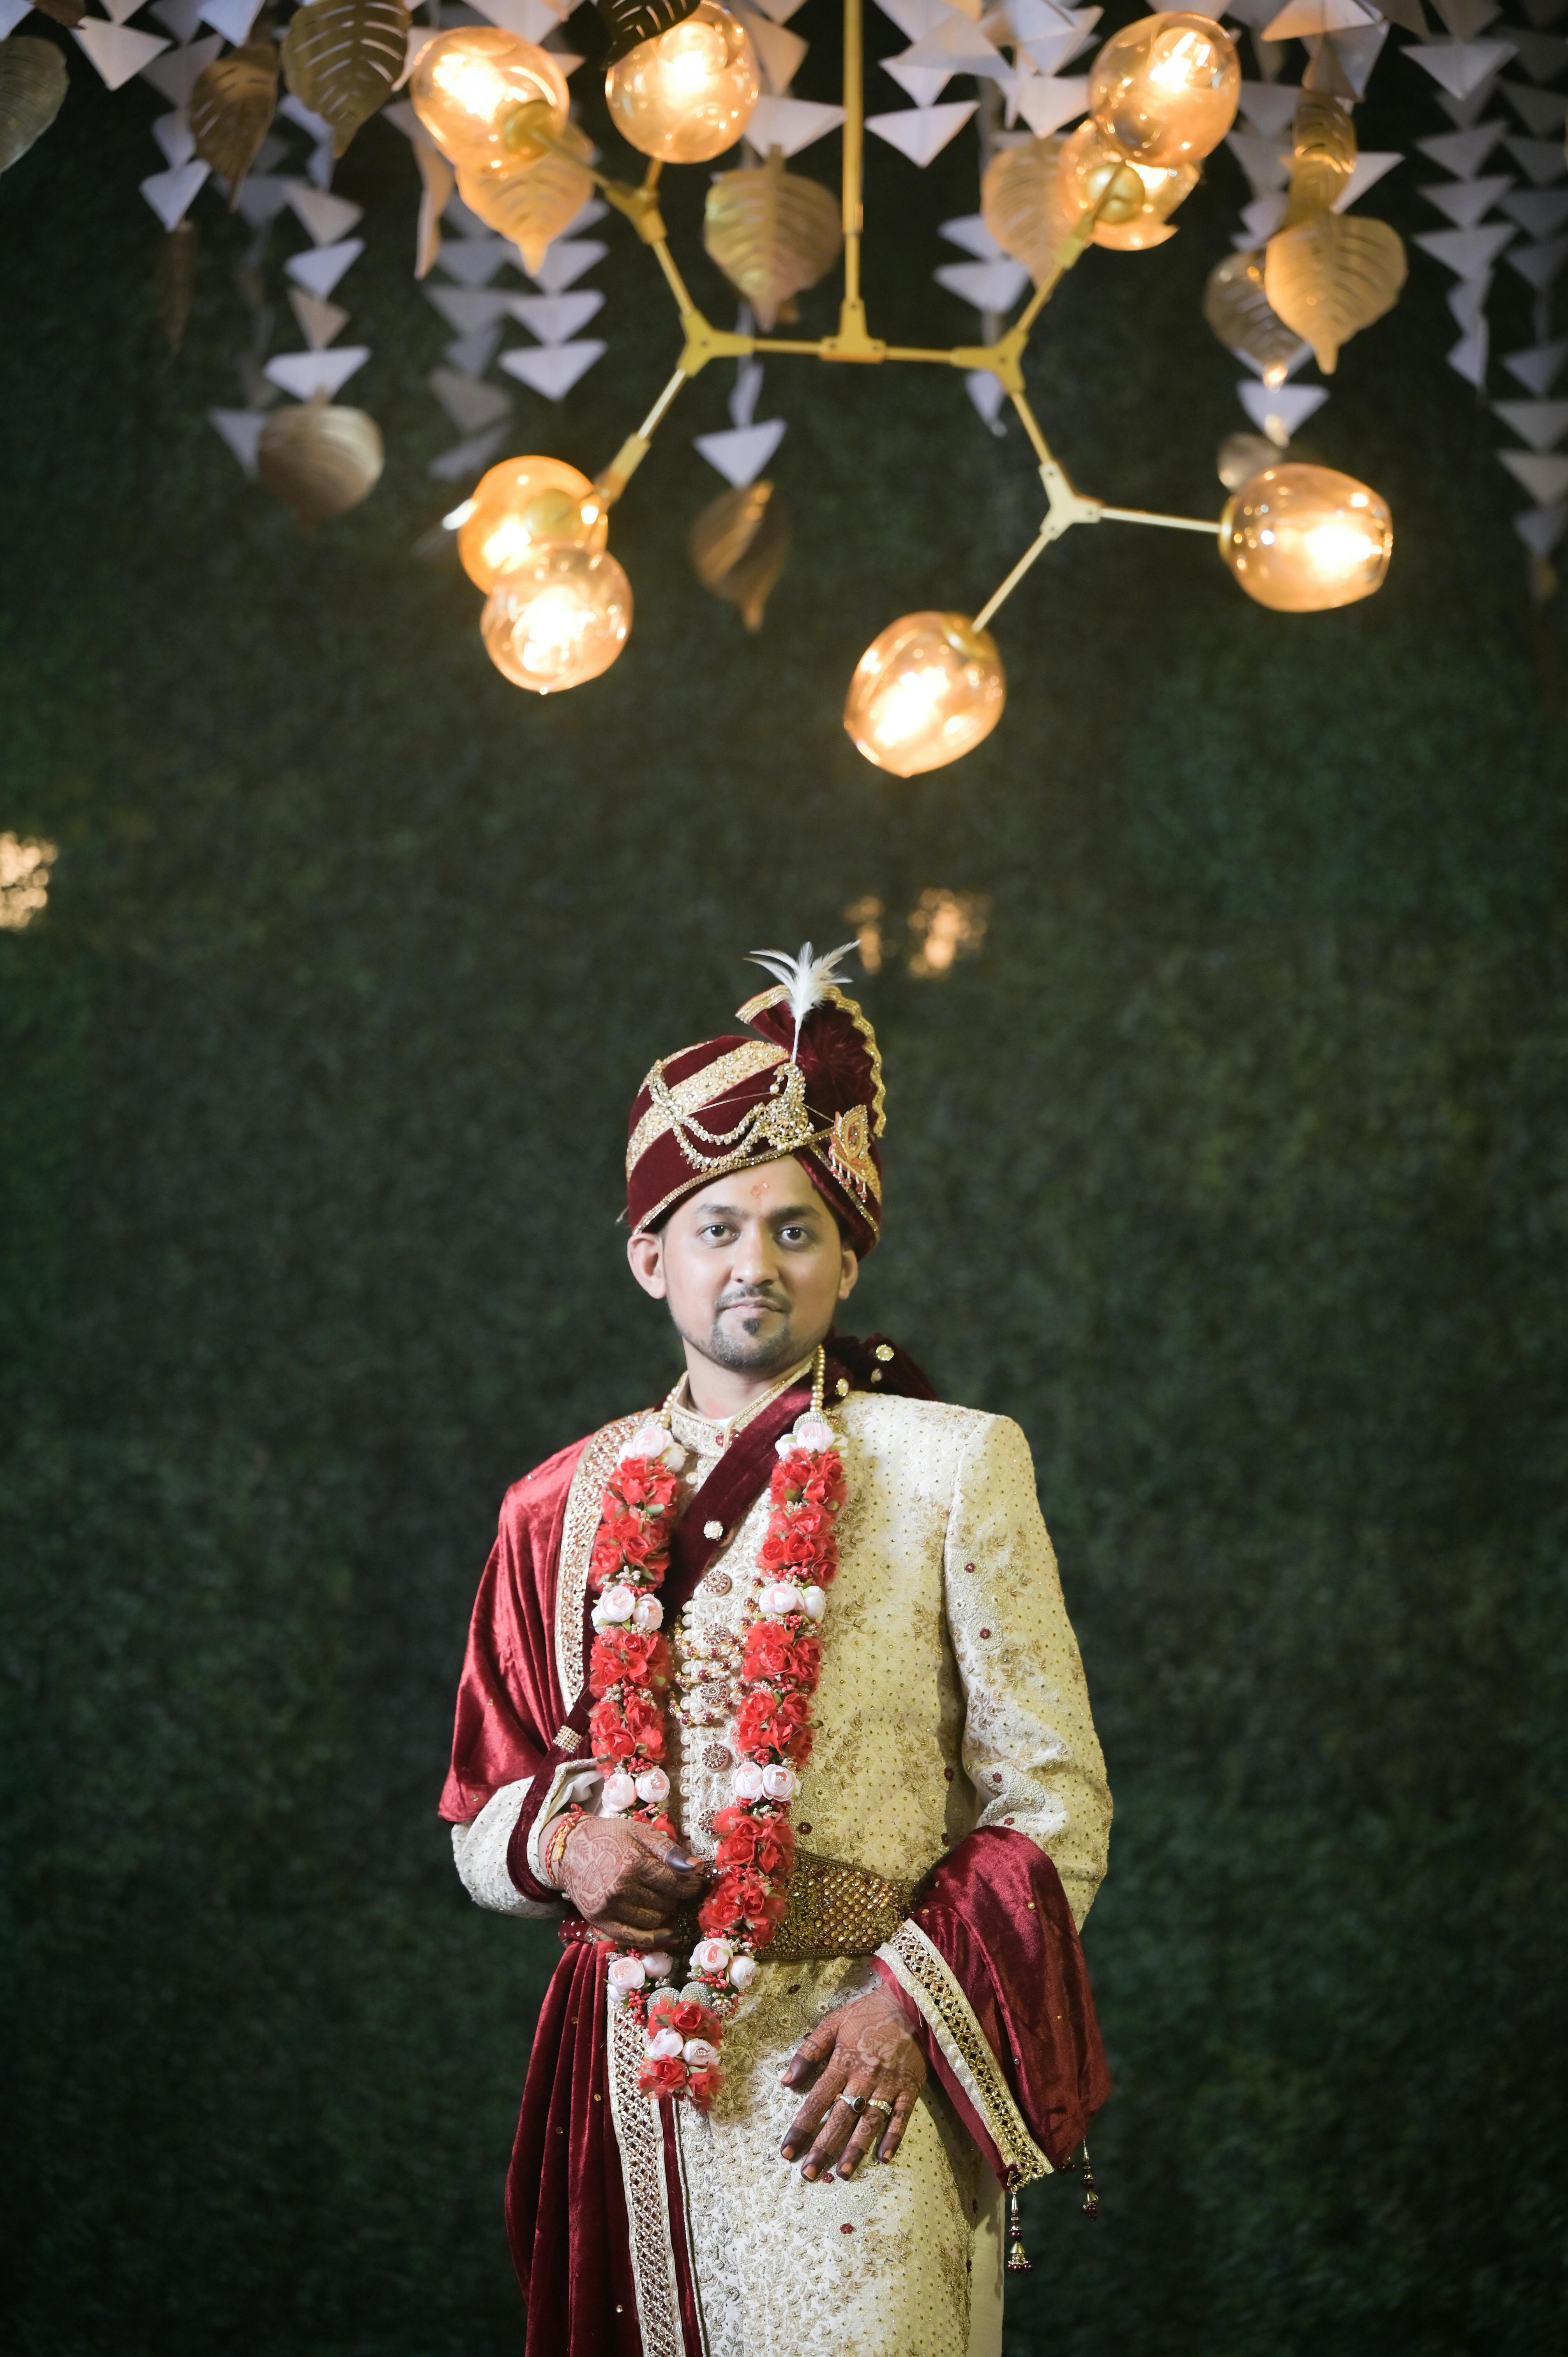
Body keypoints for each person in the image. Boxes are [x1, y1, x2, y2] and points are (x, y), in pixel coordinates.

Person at [440, 943, 1112, 2357]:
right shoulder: (553, 1505)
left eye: (797, 1230)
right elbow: (482, 1814)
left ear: (850, 1254)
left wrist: (905, 2011)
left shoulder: (953, 1470)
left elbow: (1053, 1804)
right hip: (630, 2077)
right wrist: (569, 1853)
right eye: (716, 1227)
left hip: (857, 2083)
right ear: (648, 1259)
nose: (757, 1263)